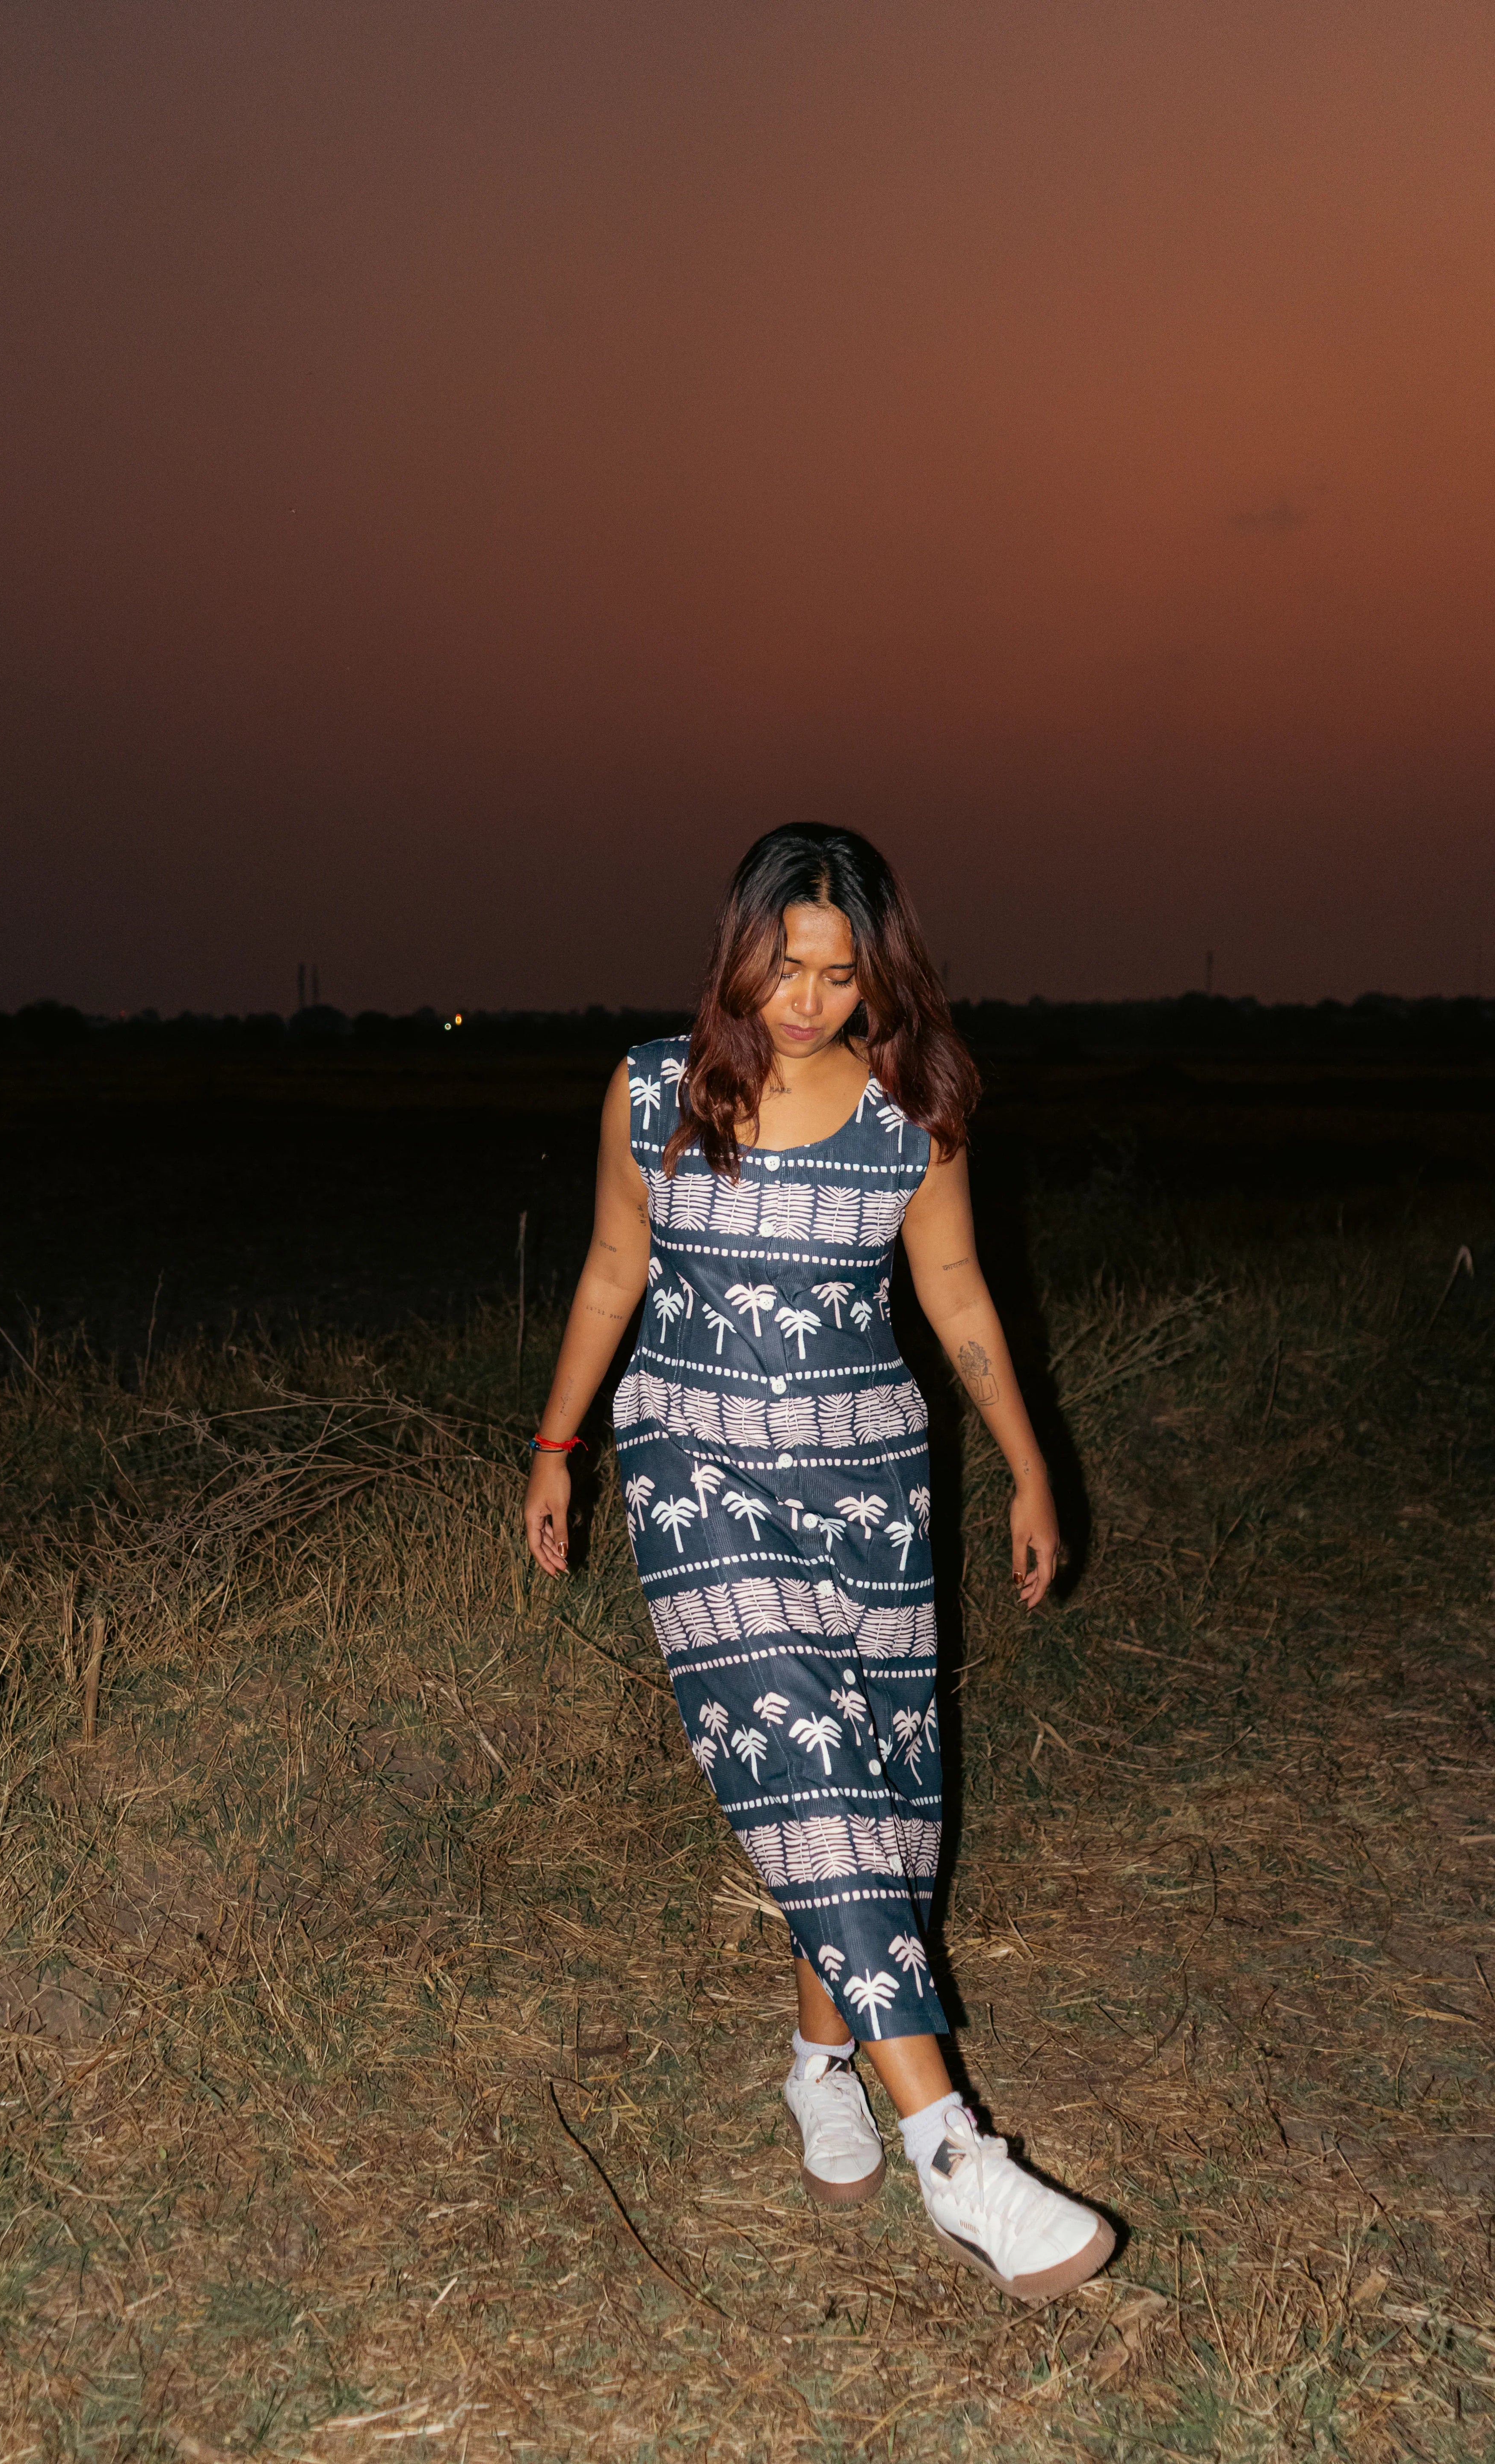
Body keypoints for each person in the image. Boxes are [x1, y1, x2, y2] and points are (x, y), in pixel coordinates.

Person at [524, 823, 1112, 2305]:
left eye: (839, 977)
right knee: (802, 1763)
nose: (806, 1000)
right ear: (735, 952)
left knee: (879, 1792)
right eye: (783, 967)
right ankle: (957, 2154)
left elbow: (959, 1289)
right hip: (691, 1462)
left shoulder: (914, 1106)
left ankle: (818, 2065)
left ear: (878, 977)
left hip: (871, 1483)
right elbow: (611, 1268)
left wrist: (1032, 1463)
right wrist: (557, 1445)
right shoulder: (656, 1091)